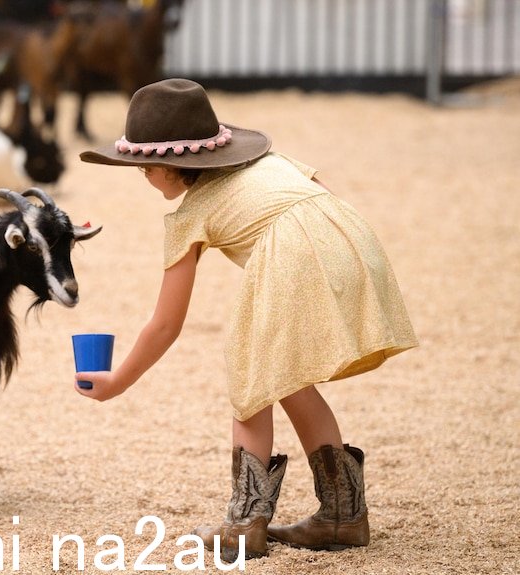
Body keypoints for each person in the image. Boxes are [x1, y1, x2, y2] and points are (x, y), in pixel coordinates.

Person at [75, 78, 418, 560]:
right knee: (287, 375)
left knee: (251, 375)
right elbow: (318, 199)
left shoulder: (191, 213)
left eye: (143, 167)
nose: (142, 176)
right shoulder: (271, 163)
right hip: (351, 237)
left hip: (295, 253)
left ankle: (244, 525)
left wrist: (119, 381)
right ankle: (343, 515)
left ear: (167, 166)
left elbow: (166, 323)